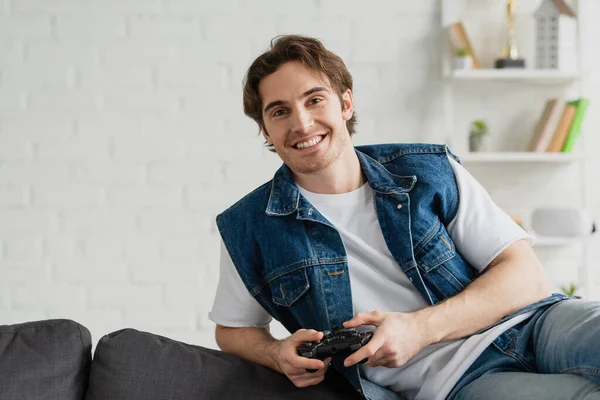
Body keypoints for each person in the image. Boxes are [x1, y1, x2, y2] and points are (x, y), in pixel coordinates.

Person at [208, 35, 600, 400]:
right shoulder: (249, 227)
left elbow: (526, 277)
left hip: (535, 323)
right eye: (280, 112)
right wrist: (276, 353)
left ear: (346, 104)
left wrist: (418, 329)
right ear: (265, 130)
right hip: (459, 381)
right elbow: (232, 329)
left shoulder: (425, 170)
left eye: (314, 100)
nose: (302, 124)